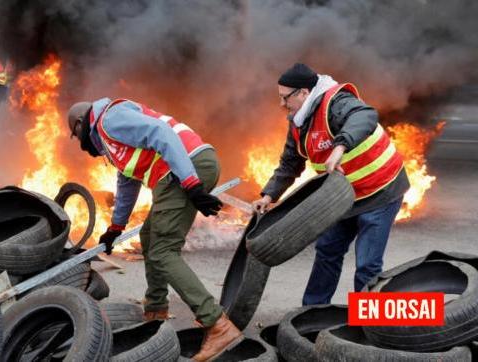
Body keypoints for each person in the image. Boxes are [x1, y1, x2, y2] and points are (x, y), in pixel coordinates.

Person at [67, 98, 242, 361]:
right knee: (149, 238)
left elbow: (161, 134)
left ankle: (217, 324)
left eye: (77, 137)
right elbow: (127, 183)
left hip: (183, 168)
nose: (84, 148)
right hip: (179, 171)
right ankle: (156, 310)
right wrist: (116, 227)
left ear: (81, 124)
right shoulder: (112, 141)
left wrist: (191, 183)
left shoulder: (109, 120)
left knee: (163, 252)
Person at [252, 63, 410, 305]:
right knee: (327, 250)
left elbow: (365, 115)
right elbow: (289, 165)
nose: (281, 104)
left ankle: (369, 328)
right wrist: (269, 195)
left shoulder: (336, 102)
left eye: (285, 98)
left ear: (303, 93)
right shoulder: (298, 122)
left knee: (367, 264)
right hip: (342, 198)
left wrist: (340, 145)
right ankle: (310, 313)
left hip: (380, 190)